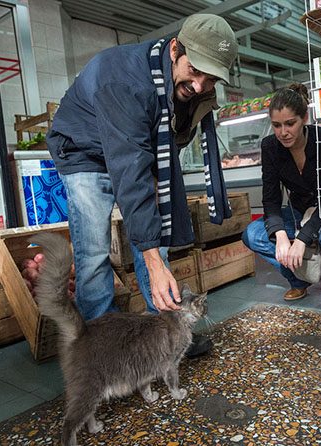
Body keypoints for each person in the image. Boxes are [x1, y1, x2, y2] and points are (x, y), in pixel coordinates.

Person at [23, 14, 238, 358]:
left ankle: (166, 336)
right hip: (84, 152)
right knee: (94, 250)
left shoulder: (191, 91)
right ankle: (102, 349)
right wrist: (152, 261)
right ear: (174, 50)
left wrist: (154, 246)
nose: (199, 85)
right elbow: (128, 168)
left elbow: (168, 144)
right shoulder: (124, 81)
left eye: (210, 79)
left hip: (137, 149)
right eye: (195, 71)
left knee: (156, 236)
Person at [241, 84, 321, 303]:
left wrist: (303, 238)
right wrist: (281, 236)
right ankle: (297, 279)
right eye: (276, 125)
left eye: (290, 123)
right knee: (253, 235)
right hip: (298, 210)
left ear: (304, 118)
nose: (283, 132)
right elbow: (271, 198)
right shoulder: (270, 147)